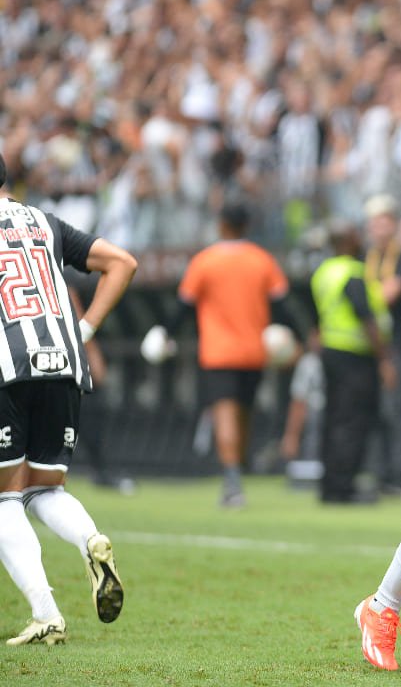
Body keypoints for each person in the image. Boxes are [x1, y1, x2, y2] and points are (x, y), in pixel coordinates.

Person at [0, 153, 137, 644]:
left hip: (8, 371)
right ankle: (90, 541)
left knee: (3, 497)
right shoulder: (45, 221)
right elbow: (122, 263)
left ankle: (46, 612)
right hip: (63, 364)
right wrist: (83, 331)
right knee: (45, 489)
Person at [142, 204, 292, 508]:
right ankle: (238, 466)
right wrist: (298, 334)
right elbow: (282, 305)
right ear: (246, 226)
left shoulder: (204, 262)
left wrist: (165, 333)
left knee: (225, 413)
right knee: (243, 413)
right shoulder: (262, 260)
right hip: (255, 352)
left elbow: (183, 307)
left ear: (221, 224)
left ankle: (232, 478)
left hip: (219, 352)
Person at [310, 221, 393, 504]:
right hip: (355, 356)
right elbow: (366, 318)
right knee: (352, 421)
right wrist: (384, 359)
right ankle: (344, 487)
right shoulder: (353, 273)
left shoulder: (323, 272)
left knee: (334, 418)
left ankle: (330, 484)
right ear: (348, 242)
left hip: (331, 352)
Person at [363, 194, 401, 495]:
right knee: (376, 411)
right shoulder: (367, 256)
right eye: (375, 221)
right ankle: (381, 472)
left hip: (400, 346)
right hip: (372, 345)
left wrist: (361, 298)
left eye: (385, 220)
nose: (380, 227)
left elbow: (389, 294)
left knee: (400, 410)